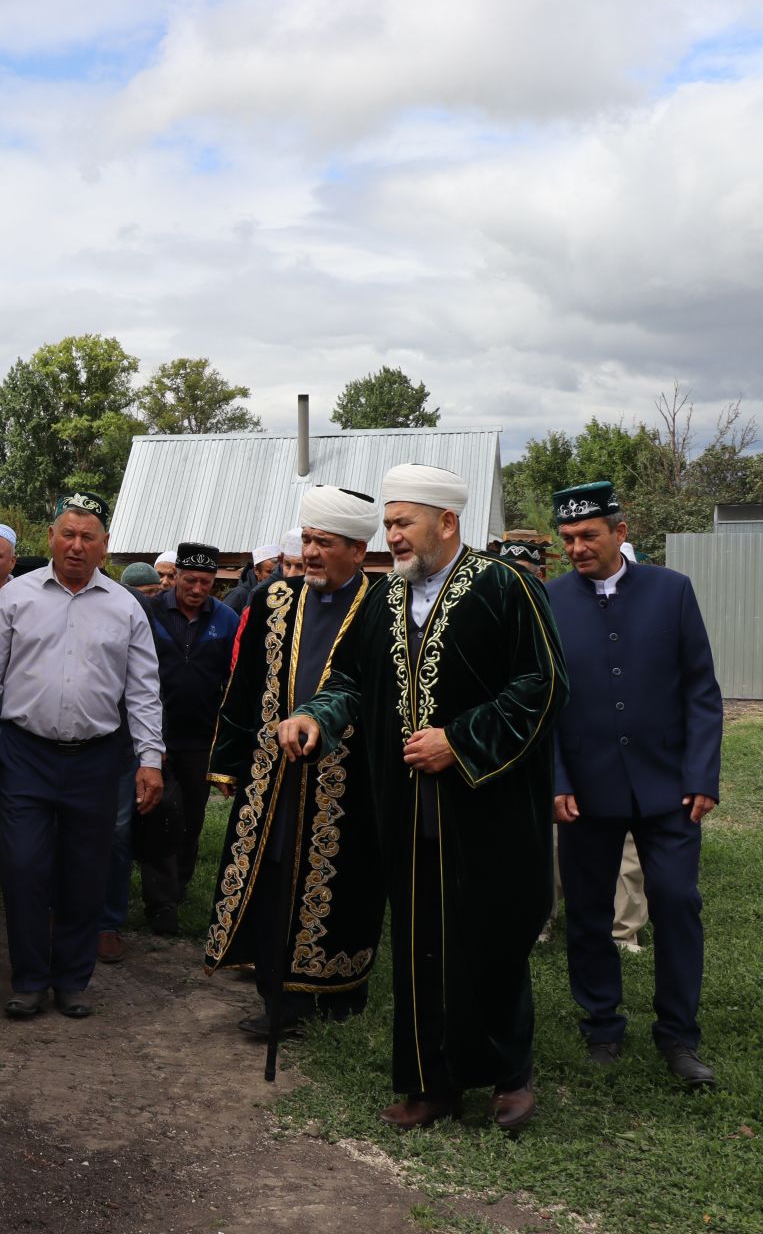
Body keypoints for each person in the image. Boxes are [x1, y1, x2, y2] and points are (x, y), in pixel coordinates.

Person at [279, 463, 566, 1131]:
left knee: (490, 939)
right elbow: (349, 678)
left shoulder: (506, 588)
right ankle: (430, 1083)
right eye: (387, 525)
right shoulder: (380, 599)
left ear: (447, 522)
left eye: (403, 523)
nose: (393, 537)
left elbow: (543, 685)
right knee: (418, 943)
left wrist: (459, 742)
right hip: (407, 809)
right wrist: (317, 716)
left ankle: (508, 1076)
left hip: (487, 807)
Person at [0, 490, 166, 1020]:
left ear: (105, 547)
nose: (76, 546)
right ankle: (29, 979)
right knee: (24, 865)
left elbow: (144, 690)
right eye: (67, 534)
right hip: (25, 753)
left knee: (86, 870)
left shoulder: (126, 607)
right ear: (50, 538)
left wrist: (151, 759)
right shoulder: (16, 598)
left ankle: (73, 980)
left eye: (88, 537)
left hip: (98, 759)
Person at [547, 481, 722, 1088]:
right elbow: (542, 701)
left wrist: (702, 775)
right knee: (590, 912)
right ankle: (601, 1025)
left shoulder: (671, 591)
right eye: (567, 538)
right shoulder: (550, 600)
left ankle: (678, 1036)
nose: (576, 548)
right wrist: (557, 779)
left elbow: (701, 688)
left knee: (677, 903)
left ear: (620, 533)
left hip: (668, 787)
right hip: (586, 792)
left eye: (588, 535)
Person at [205, 489, 386, 1042]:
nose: (309, 552)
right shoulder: (273, 599)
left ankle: (337, 989)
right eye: (306, 539)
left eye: (323, 543)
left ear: (358, 550)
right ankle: (277, 993)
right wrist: (229, 762)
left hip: (350, 779)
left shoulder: (383, 605)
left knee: (347, 878)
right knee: (274, 869)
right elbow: (244, 686)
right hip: (273, 770)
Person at [102, 541, 238, 956]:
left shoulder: (226, 619)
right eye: (190, 579)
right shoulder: (151, 612)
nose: (197, 589)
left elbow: (233, 678)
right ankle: (159, 903)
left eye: (206, 582)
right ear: (175, 575)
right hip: (151, 734)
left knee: (190, 816)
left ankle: (175, 891)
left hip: (199, 736)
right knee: (158, 812)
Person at [224, 543, 281, 611]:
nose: (274, 576)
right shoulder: (239, 594)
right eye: (269, 572)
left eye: (276, 572)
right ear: (256, 571)